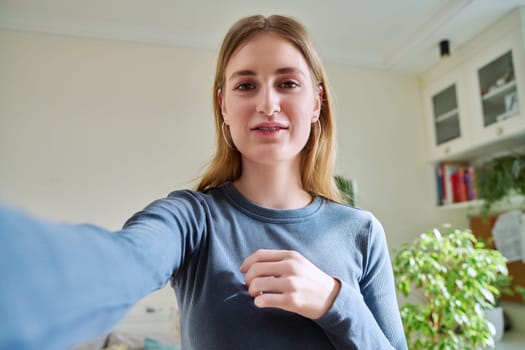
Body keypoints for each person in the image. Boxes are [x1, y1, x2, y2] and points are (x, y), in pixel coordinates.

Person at [0, 14, 407, 350]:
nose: (267, 104)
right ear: (223, 105)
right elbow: (122, 261)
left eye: (287, 83)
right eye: (246, 86)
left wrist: (335, 301)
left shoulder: (361, 232)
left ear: (316, 102)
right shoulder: (191, 219)